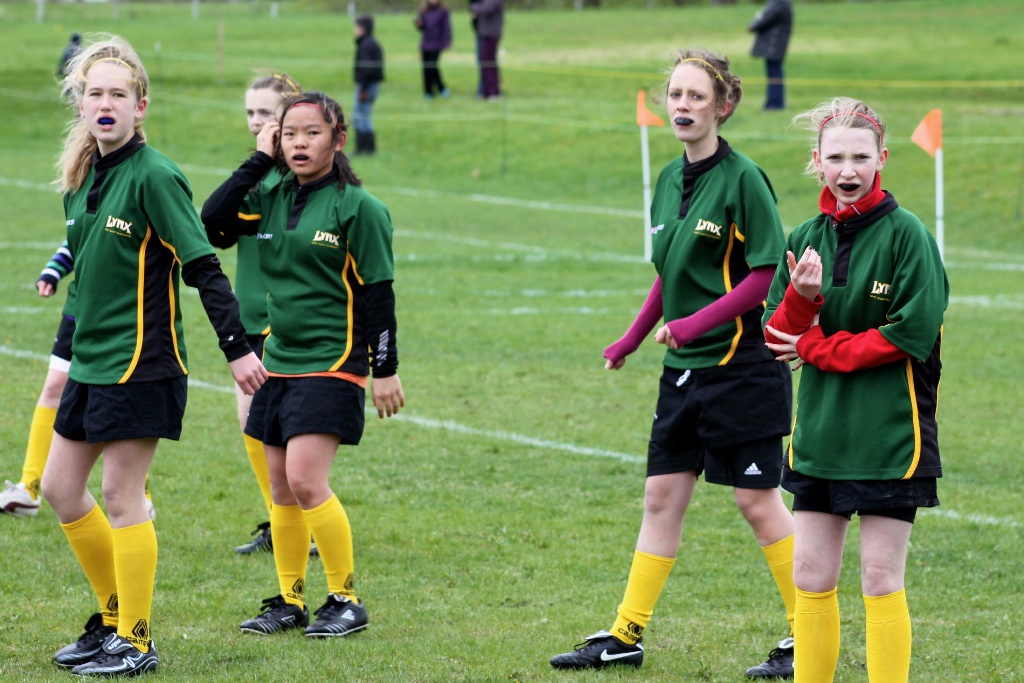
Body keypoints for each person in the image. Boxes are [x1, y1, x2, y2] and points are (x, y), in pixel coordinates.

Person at [549, 49, 797, 679]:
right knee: (661, 497)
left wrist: (693, 324)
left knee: (756, 501)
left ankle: (808, 631)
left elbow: (765, 274)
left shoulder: (744, 178)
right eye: (675, 95)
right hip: (685, 371)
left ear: (723, 106)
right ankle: (625, 635)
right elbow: (671, 272)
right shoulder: (666, 179)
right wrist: (631, 338)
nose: (682, 106)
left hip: (743, 366)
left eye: (696, 96)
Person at [41, 35, 266, 677]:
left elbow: (202, 265)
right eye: (95, 93)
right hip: (91, 361)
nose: (105, 103)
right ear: (80, 104)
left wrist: (236, 348)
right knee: (60, 489)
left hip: (143, 362)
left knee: (121, 496)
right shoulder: (82, 178)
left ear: (140, 106)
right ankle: (112, 618)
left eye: (118, 94)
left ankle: (136, 641)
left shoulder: (156, 175)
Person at [201, 91, 405, 639]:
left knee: (305, 480)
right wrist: (258, 160)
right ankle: (290, 600)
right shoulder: (269, 196)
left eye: (312, 133)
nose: (299, 143)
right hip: (279, 359)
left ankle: (346, 600)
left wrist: (385, 368)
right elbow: (212, 221)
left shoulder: (360, 208)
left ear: (338, 140)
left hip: (333, 361)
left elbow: (379, 295)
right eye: (289, 133)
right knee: (281, 489)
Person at [763, 98, 948, 683]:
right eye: (836, 158)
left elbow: (910, 334)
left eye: (861, 158)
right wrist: (802, 299)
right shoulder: (804, 237)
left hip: (890, 437)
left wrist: (816, 345)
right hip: (820, 435)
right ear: (817, 161)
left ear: (882, 158)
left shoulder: (908, 235)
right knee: (810, 577)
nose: (848, 170)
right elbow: (776, 334)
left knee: (880, 579)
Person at [206, 71, 316, 556]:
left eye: (266, 113)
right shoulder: (259, 175)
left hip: (283, 324)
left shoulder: (298, 178)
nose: (256, 122)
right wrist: (255, 162)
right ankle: (282, 520)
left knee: (280, 430)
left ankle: (296, 522)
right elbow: (215, 226)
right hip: (248, 320)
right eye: (250, 113)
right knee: (251, 424)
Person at [0, 244, 155, 521]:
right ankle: (29, 487)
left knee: (120, 396)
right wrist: (53, 270)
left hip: (125, 312)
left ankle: (139, 494)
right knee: (53, 387)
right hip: (80, 307)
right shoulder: (78, 209)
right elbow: (81, 237)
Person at [748, 0, 793, 111]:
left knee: (775, 74)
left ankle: (775, 103)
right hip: (774, 45)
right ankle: (773, 102)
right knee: (774, 73)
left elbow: (768, 16)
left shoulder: (781, 2)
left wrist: (754, 25)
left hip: (775, 45)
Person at [352, 14, 384, 156]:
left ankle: (366, 149)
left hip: (367, 86)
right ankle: (364, 148)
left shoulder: (367, 45)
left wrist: (363, 89)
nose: (355, 29)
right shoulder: (370, 43)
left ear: (363, 28)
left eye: (357, 26)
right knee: (361, 114)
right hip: (369, 85)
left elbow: (367, 69)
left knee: (361, 116)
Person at [415, 0, 452, 99]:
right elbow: (422, 27)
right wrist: (419, 24)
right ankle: (428, 91)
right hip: (426, 43)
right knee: (426, 68)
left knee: (433, 67)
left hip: (437, 43)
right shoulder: (424, 10)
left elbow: (446, 27)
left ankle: (441, 88)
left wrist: (447, 41)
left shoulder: (443, 11)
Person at [471, 0, 504, 100]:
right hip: (484, 33)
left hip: (491, 34)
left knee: (489, 63)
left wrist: (474, 7)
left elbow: (486, 8)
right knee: (484, 62)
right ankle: (485, 91)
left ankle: (494, 92)